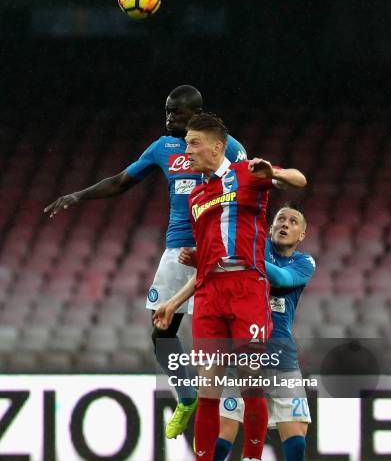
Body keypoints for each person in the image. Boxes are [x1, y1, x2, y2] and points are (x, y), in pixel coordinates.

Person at [43, 85, 247, 438]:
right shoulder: (162, 148)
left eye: (177, 113)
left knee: (215, 339)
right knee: (161, 331)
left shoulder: (226, 147)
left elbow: (247, 189)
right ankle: (187, 398)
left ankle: (231, 408)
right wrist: (80, 194)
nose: (169, 118)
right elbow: (122, 181)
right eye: (166, 111)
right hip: (176, 251)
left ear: (195, 113)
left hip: (216, 250)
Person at [153, 113, 307, 461]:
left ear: (217, 146)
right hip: (209, 292)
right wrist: (172, 301)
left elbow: (299, 180)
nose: (186, 153)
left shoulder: (248, 173)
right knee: (209, 385)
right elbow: (205, 262)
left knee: (251, 380)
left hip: (246, 288)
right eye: (185, 144)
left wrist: (273, 171)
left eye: (193, 144)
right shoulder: (197, 197)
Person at [169, 203, 316, 461]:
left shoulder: (303, 263)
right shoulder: (250, 250)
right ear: (269, 226)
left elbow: (280, 281)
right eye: (280, 218)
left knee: (295, 448)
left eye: (293, 221)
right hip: (240, 358)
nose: (285, 223)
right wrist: (209, 263)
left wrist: (233, 261)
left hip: (281, 362)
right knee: (221, 443)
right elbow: (209, 274)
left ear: (301, 234)